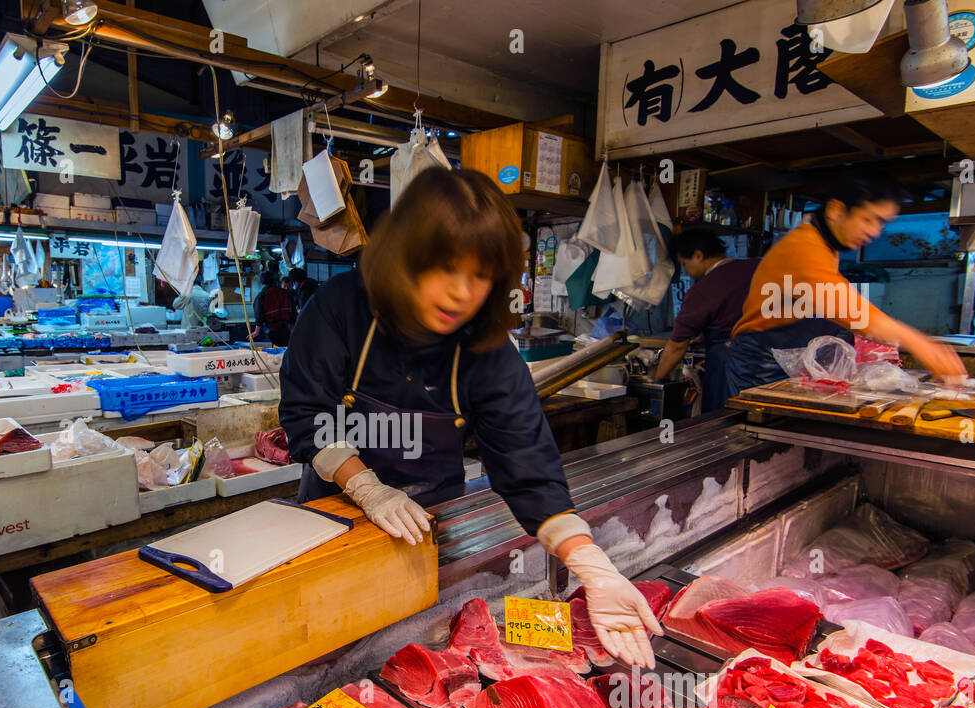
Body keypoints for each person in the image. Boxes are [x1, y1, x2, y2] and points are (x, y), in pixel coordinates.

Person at [279, 167, 662, 668]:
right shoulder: (338, 308)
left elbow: (525, 460)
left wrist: (589, 563)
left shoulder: (486, 349)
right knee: (321, 652)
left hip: (434, 521)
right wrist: (367, 488)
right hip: (333, 516)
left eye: (479, 276)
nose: (461, 292)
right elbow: (307, 414)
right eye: (445, 269)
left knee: (410, 648)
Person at [726, 176, 966, 394]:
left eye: (881, 223)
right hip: (762, 363)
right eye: (869, 219)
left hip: (786, 357)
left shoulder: (824, 246)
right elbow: (851, 310)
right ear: (836, 210)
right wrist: (918, 343)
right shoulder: (804, 248)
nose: (874, 232)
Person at [653, 230, 760, 413]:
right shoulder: (757, 267)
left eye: (684, 264)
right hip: (770, 367)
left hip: (732, 368)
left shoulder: (704, 289)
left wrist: (657, 380)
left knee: (725, 421)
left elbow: (677, 346)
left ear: (698, 255)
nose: (686, 271)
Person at [256, 268, 296, 346]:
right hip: (285, 329)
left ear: (262, 282)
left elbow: (259, 314)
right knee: (285, 351)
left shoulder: (262, 295)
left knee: (271, 354)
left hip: (270, 329)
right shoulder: (286, 293)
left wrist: (256, 331)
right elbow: (293, 312)